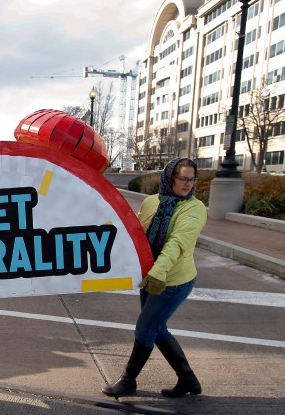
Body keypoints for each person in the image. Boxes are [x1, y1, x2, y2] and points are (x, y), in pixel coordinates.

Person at [102, 157, 206, 398]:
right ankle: (188, 380)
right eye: (183, 178)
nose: (188, 184)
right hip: (150, 276)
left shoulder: (195, 209)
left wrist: (158, 274)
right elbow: (136, 234)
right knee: (157, 330)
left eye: (192, 179)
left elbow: (177, 244)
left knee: (145, 329)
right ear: (170, 178)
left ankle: (128, 380)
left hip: (173, 281)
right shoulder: (151, 202)